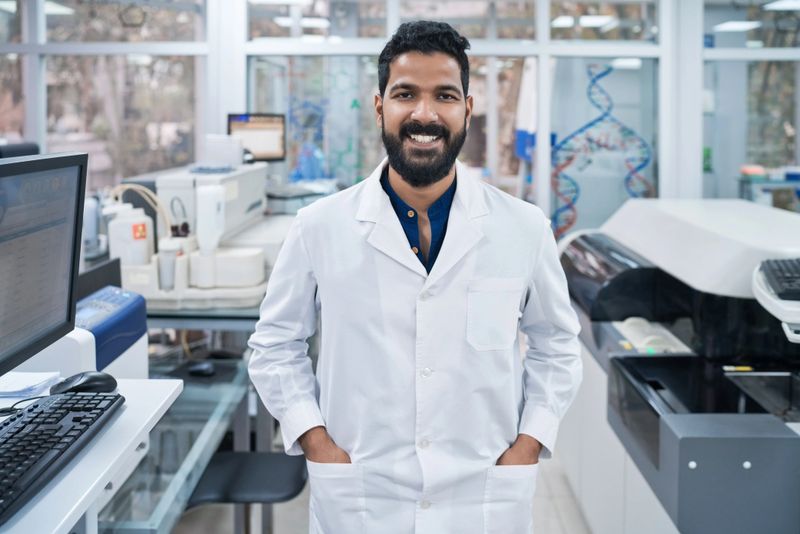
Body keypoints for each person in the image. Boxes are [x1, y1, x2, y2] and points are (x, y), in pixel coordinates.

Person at [248, 20, 582, 534]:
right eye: (406, 94)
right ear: (380, 105)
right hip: (362, 494)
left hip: (484, 495)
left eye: (444, 95)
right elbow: (274, 345)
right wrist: (316, 441)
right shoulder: (319, 227)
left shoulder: (523, 228)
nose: (424, 114)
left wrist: (528, 444)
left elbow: (556, 346)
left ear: (467, 108)